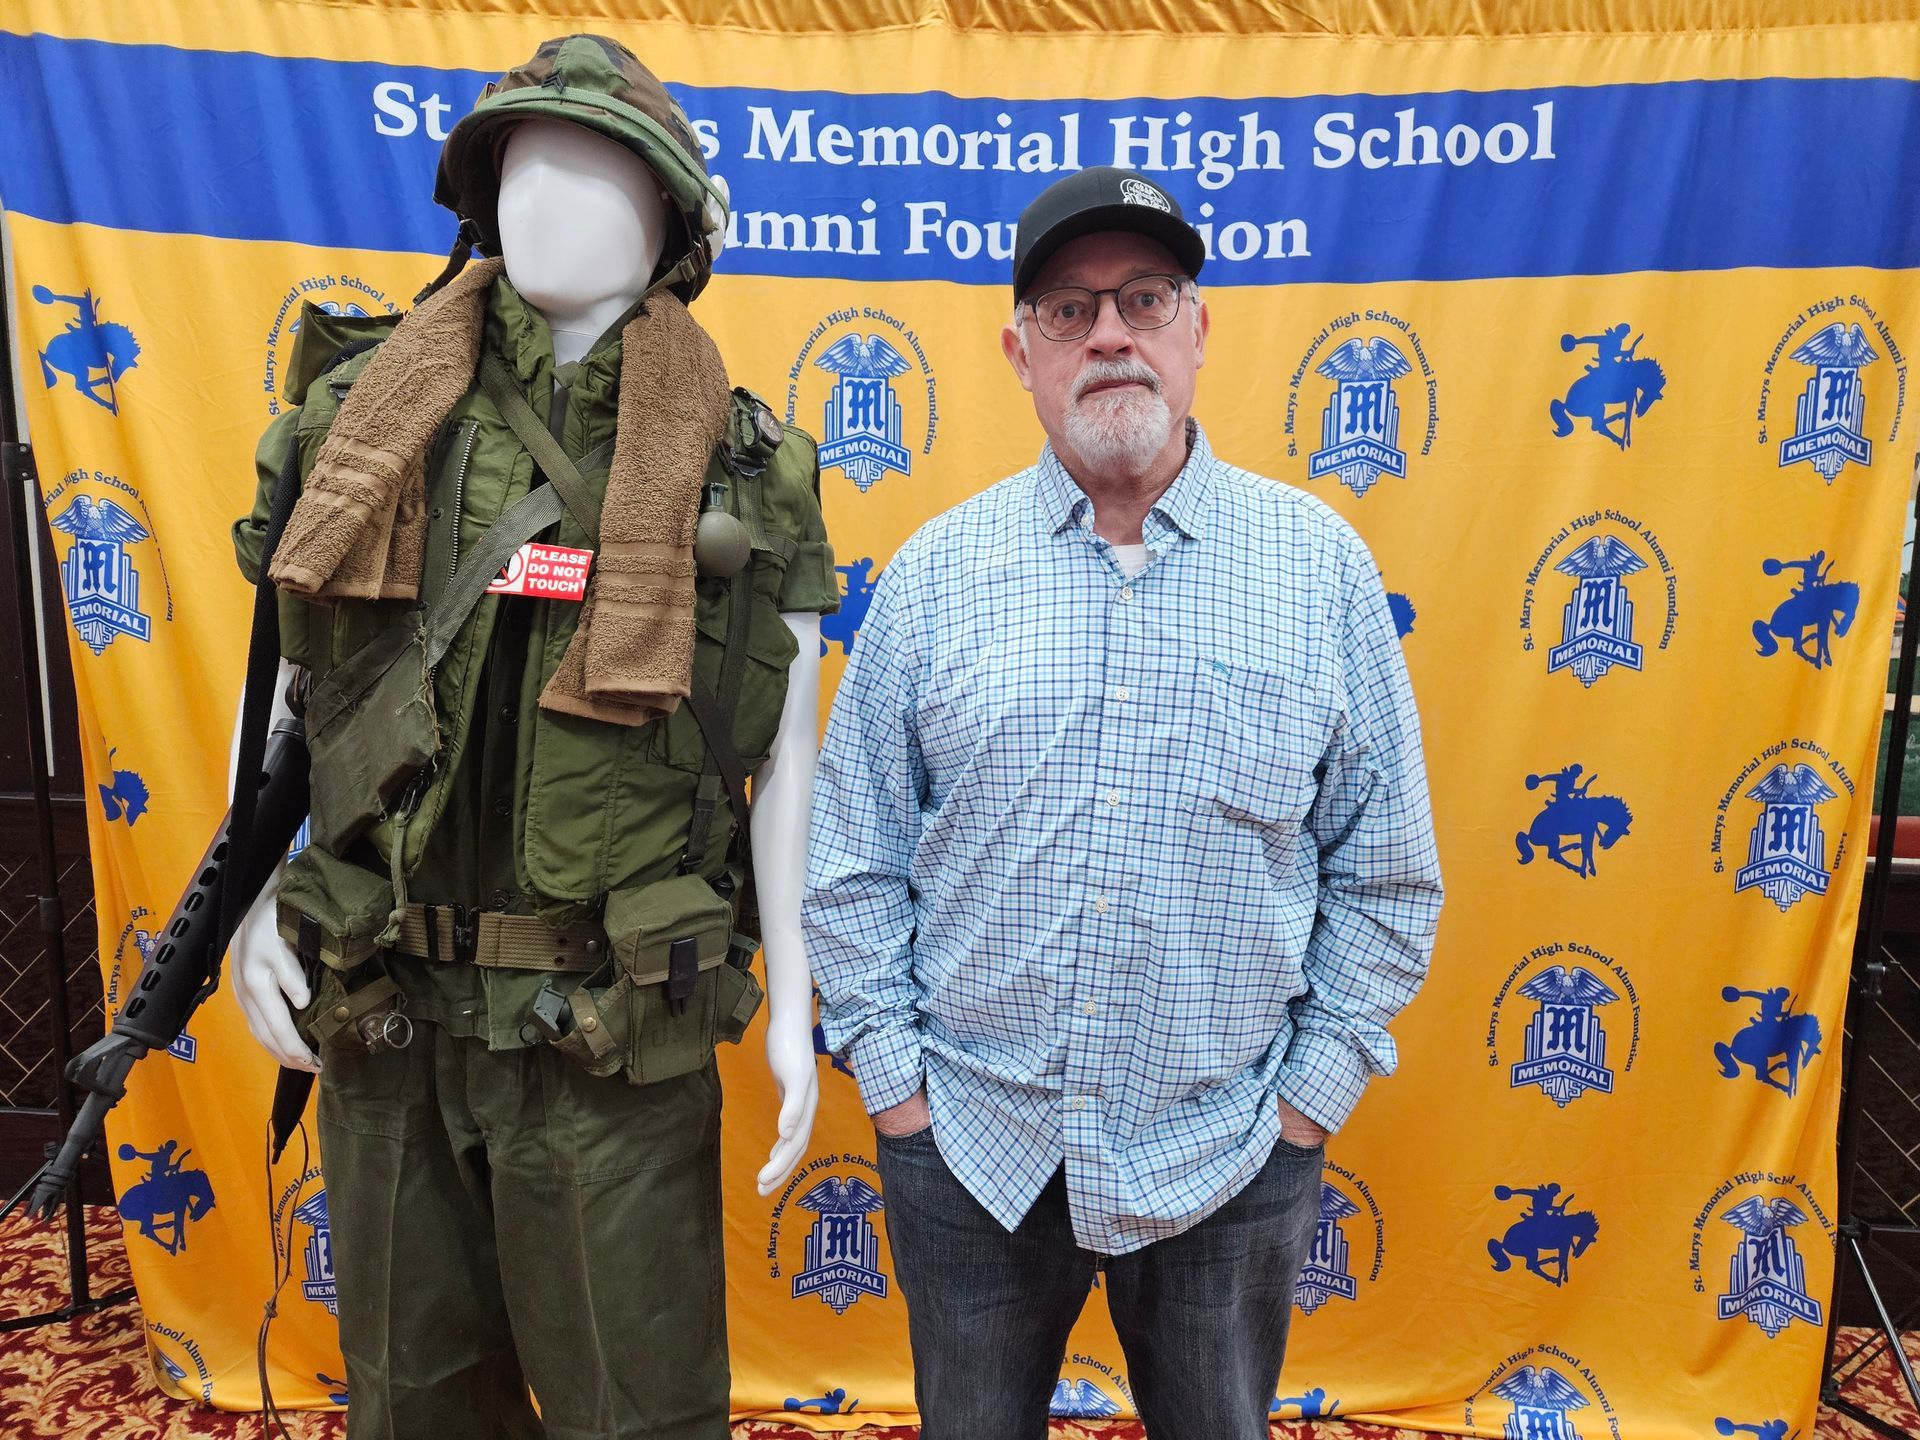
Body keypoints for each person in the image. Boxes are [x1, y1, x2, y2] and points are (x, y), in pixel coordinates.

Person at [228, 36, 836, 1440]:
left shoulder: (745, 468)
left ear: (671, 220)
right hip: (386, 1003)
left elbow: (784, 753)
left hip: (604, 1037)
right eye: (523, 164)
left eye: (598, 169)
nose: (548, 197)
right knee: (411, 1400)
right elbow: (293, 691)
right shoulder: (360, 424)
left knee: (639, 1410)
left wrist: (794, 996)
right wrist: (249, 902)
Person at [805, 166, 1443, 1440]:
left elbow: (1386, 874)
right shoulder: (935, 574)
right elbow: (852, 859)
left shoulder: (1318, 568)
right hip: (972, 1142)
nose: (1109, 334)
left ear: (1197, 330)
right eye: (1068, 309)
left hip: (1230, 1148)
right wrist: (898, 1093)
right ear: (1021, 353)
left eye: (1144, 299)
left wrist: (1304, 1103)